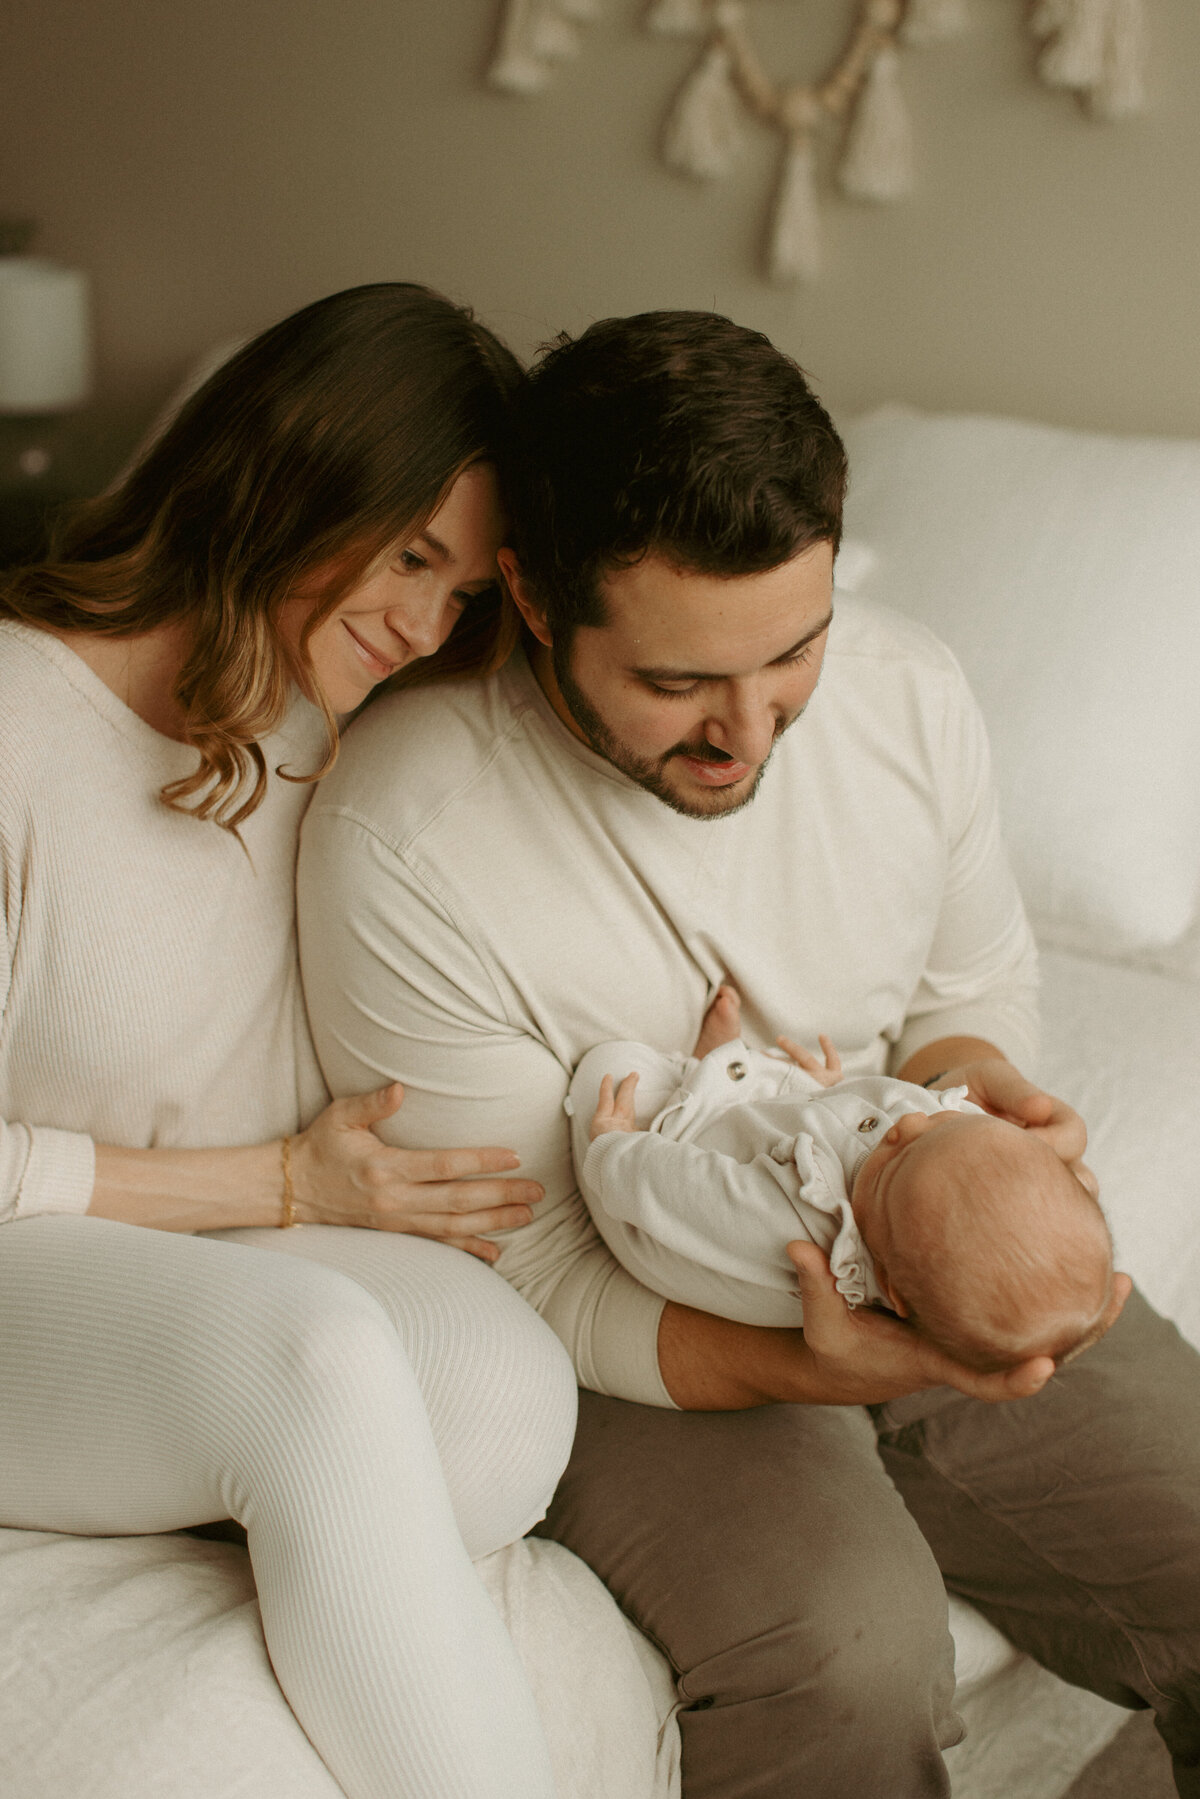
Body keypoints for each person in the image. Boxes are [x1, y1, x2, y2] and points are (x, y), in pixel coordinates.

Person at [296, 309, 1200, 1799]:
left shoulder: (907, 694)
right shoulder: (405, 834)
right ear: (528, 594)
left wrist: (982, 1108)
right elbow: (528, 1269)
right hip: (628, 1332)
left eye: (793, 651)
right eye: (675, 684)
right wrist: (808, 1356)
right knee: (844, 1655)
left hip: (904, 1227)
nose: (748, 731)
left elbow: (967, 980)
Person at [0, 282, 580, 1799]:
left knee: (501, 1391)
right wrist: (280, 1186)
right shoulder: (16, 717)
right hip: (31, 1248)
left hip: (193, 1265)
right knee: (314, 1360)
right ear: (289, 471)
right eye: (408, 556)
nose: (422, 622)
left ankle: (204, 1460)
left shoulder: (327, 730)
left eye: (460, 594)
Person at [572, 985, 1115, 1373]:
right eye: (947, 1126)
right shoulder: (921, 1184)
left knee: (612, 1066)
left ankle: (704, 1088)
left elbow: (684, 1191)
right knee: (824, 1113)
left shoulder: (802, 1221)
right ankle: (740, 1081)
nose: (907, 1128)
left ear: (893, 1289)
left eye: (898, 1162)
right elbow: (906, 1123)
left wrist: (616, 1148)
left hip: (666, 1205)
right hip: (770, 1160)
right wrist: (832, 1095)